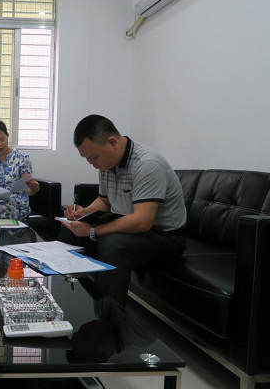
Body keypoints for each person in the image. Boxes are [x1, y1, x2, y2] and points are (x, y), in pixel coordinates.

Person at [60, 114, 186, 306]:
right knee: (69, 228)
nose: (92, 163)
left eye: (93, 157)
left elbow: (142, 221)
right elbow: (104, 201)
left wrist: (93, 231)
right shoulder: (106, 165)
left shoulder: (147, 164)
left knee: (112, 243)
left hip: (165, 236)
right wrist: (84, 213)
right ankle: (70, 300)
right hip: (133, 229)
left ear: (113, 142)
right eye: (87, 158)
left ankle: (109, 314)